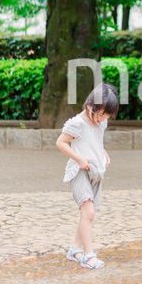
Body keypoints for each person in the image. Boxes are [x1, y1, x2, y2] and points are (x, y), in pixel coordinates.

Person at [56, 83, 119, 268]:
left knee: (87, 214)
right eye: (99, 114)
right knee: (89, 212)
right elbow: (60, 143)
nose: (101, 119)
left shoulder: (100, 122)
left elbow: (95, 141)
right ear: (91, 106)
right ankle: (88, 255)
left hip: (96, 172)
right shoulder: (77, 123)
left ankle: (74, 249)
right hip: (79, 172)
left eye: (105, 116)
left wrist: (103, 152)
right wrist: (79, 159)